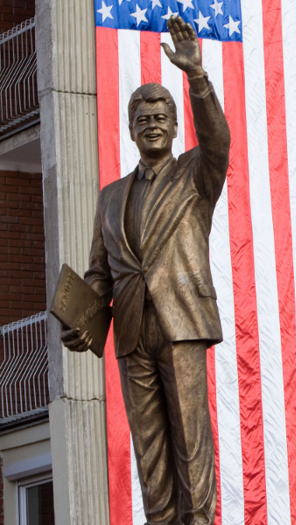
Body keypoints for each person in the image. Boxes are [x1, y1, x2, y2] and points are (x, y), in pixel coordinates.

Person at [60, 16, 229, 525]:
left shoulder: (197, 175)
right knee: (150, 454)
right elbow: (100, 272)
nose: (152, 124)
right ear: (131, 130)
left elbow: (219, 140)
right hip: (132, 331)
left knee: (190, 445)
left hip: (181, 324)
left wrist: (196, 77)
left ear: (175, 127)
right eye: (143, 119)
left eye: (161, 117)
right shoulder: (110, 197)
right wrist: (81, 317)